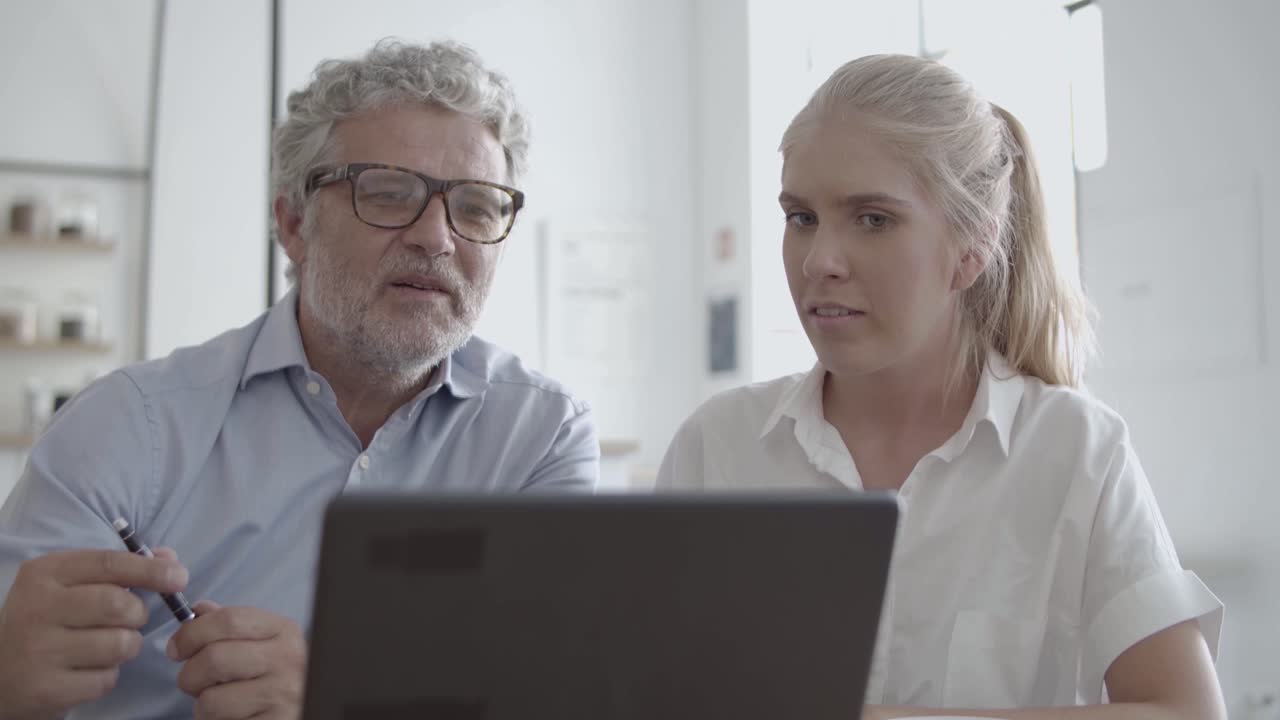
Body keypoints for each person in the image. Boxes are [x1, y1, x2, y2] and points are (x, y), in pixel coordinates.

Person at [0, 39, 598, 719]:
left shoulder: (542, 437)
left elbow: (555, 692)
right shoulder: (127, 426)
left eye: (476, 207)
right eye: (387, 193)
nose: (436, 237)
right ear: (292, 223)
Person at [658, 54, 1226, 719]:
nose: (819, 262)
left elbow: (1185, 710)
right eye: (801, 217)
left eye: (872, 219)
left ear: (974, 245)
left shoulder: (1075, 451)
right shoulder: (717, 447)